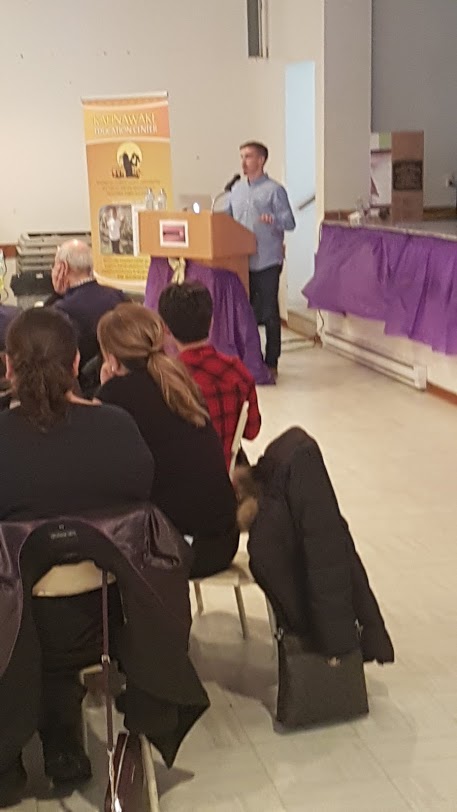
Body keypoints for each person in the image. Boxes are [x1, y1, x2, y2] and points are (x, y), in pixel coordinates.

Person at [0, 308, 155, 804]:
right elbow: (141, 510)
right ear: (76, 363)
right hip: (106, 620)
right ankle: (63, 745)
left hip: (12, 627)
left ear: (8, 367)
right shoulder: (118, 429)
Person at [97, 302, 239, 578]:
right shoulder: (179, 381)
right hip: (223, 538)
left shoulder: (116, 395)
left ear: (111, 359)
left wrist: (105, 389)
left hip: (179, 550)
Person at [233, 427, 394, 664]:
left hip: (218, 515)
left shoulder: (267, 536)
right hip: (257, 486)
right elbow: (252, 428)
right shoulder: (291, 475)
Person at [158, 281, 261, 470]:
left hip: (178, 477)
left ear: (165, 328)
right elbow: (252, 431)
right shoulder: (237, 370)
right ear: (212, 321)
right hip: (224, 474)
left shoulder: (164, 379)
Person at [227, 141, 296, 378]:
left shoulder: (274, 190)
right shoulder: (236, 191)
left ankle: (271, 361)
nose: (243, 162)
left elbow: (290, 222)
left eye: (248, 156)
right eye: (241, 156)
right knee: (244, 312)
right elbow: (226, 221)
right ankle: (248, 358)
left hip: (267, 260)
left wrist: (273, 220)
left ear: (261, 160)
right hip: (240, 261)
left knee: (269, 312)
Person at [50, 239, 126, 372]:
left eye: (54, 265)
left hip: (82, 377)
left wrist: (56, 294)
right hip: (118, 370)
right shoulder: (117, 295)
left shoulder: (63, 308)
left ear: (64, 267)